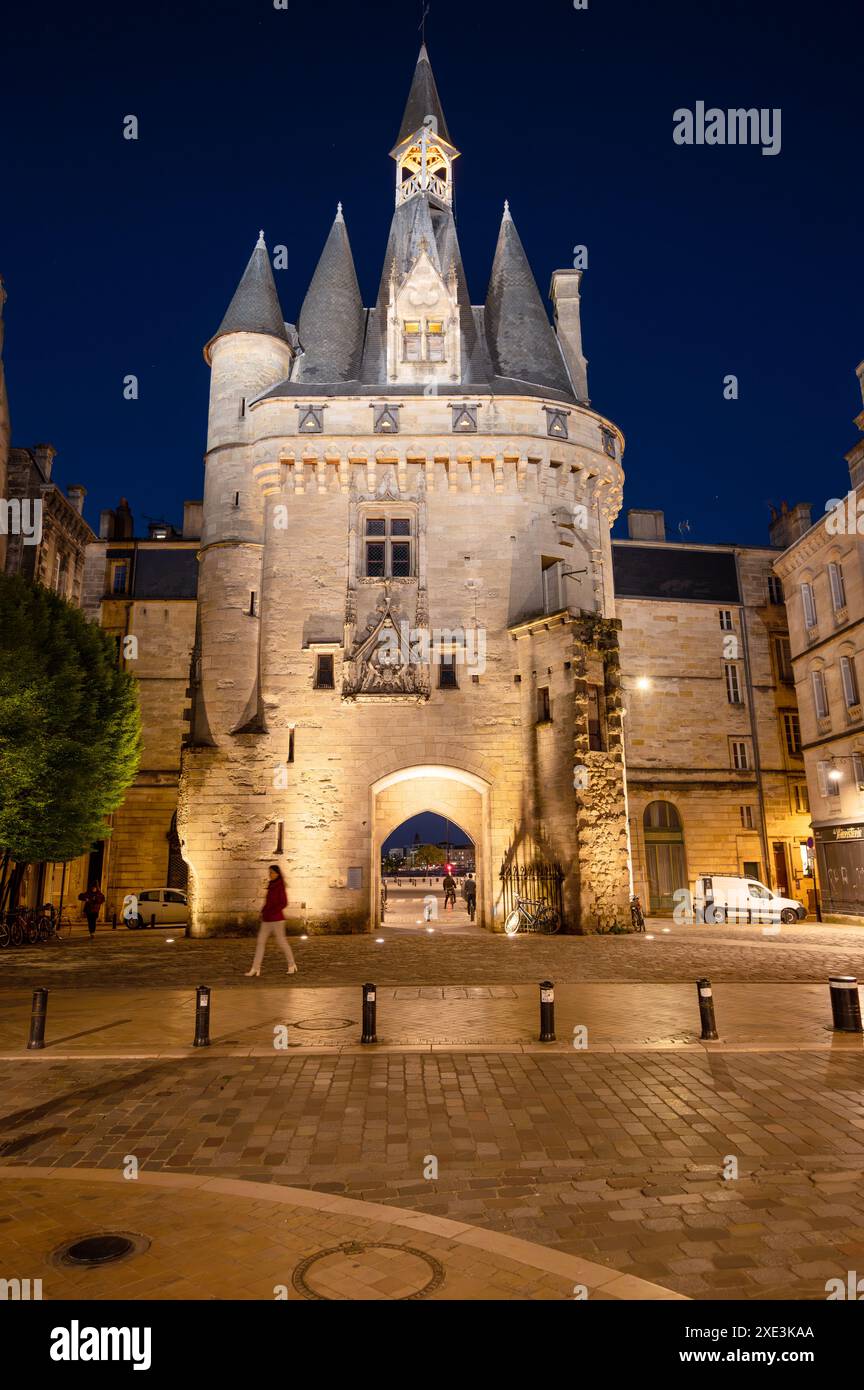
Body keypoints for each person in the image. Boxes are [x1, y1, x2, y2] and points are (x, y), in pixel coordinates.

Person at [246, 865, 298, 977]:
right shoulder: (271, 885)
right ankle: (255, 968)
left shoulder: (280, 886)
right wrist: (263, 911)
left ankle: (291, 964)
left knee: (282, 942)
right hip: (267, 919)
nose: (270, 875)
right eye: (269, 872)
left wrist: (273, 911)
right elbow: (268, 901)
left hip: (277, 919)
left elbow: (284, 903)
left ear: (277, 874)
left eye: (272, 873)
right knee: (260, 942)